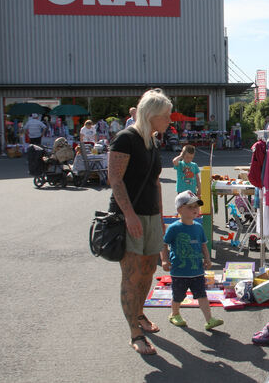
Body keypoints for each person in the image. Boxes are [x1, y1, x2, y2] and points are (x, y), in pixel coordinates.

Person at [108, 88, 172, 355]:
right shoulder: (125, 139)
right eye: (166, 116)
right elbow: (115, 179)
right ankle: (134, 330)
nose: (169, 121)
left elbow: (155, 182)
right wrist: (130, 215)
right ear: (152, 115)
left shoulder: (152, 142)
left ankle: (140, 314)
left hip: (150, 216)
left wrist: (160, 216)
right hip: (129, 217)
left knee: (147, 272)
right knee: (132, 276)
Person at [160, 190, 224, 331]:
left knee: (202, 295)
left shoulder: (198, 227)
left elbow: (203, 245)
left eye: (196, 206)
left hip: (197, 271)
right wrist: (164, 260)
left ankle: (209, 319)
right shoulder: (174, 228)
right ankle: (174, 313)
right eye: (190, 207)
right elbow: (163, 244)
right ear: (179, 210)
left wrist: (207, 259)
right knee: (178, 296)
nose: (195, 209)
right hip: (179, 271)